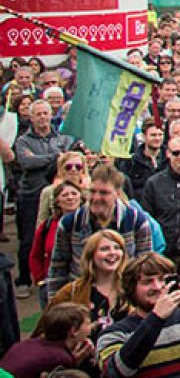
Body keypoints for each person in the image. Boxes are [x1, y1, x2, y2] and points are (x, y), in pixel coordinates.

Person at [96, 252, 180, 378]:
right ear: (132, 288)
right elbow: (117, 372)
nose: (157, 287)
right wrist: (156, 318)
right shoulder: (114, 334)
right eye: (147, 282)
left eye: (163, 280)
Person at [46, 164, 156, 299]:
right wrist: (55, 304)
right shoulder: (71, 223)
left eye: (104, 193)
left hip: (123, 298)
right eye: (92, 191)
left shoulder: (137, 221)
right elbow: (58, 267)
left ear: (118, 193)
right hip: (81, 299)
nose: (96, 198)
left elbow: (145, 267)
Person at [13, 99, 77, 298]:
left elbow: (70, 156)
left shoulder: (62, 137)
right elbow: (26, 161)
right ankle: (25, 278)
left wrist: (48, 157)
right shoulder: (23, 141)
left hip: (62, 192)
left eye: (45, 113)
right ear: (30, 117)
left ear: (51, 115)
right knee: (30, 238)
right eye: (38, 114)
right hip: (32, 193)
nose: (42, 117)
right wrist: (56, 156)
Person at [45, 230, 125, 336]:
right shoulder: (71, 291)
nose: (112, 253)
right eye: (104, 249)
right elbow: (45, 331)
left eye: (117, 248)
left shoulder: (131, 288)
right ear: (91, 255)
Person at [0, 301, 95, 378]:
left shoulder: (30, 343)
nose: (91, 326)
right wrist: (73, 363)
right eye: (87, 323)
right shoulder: (60, 359)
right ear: (73, 331)